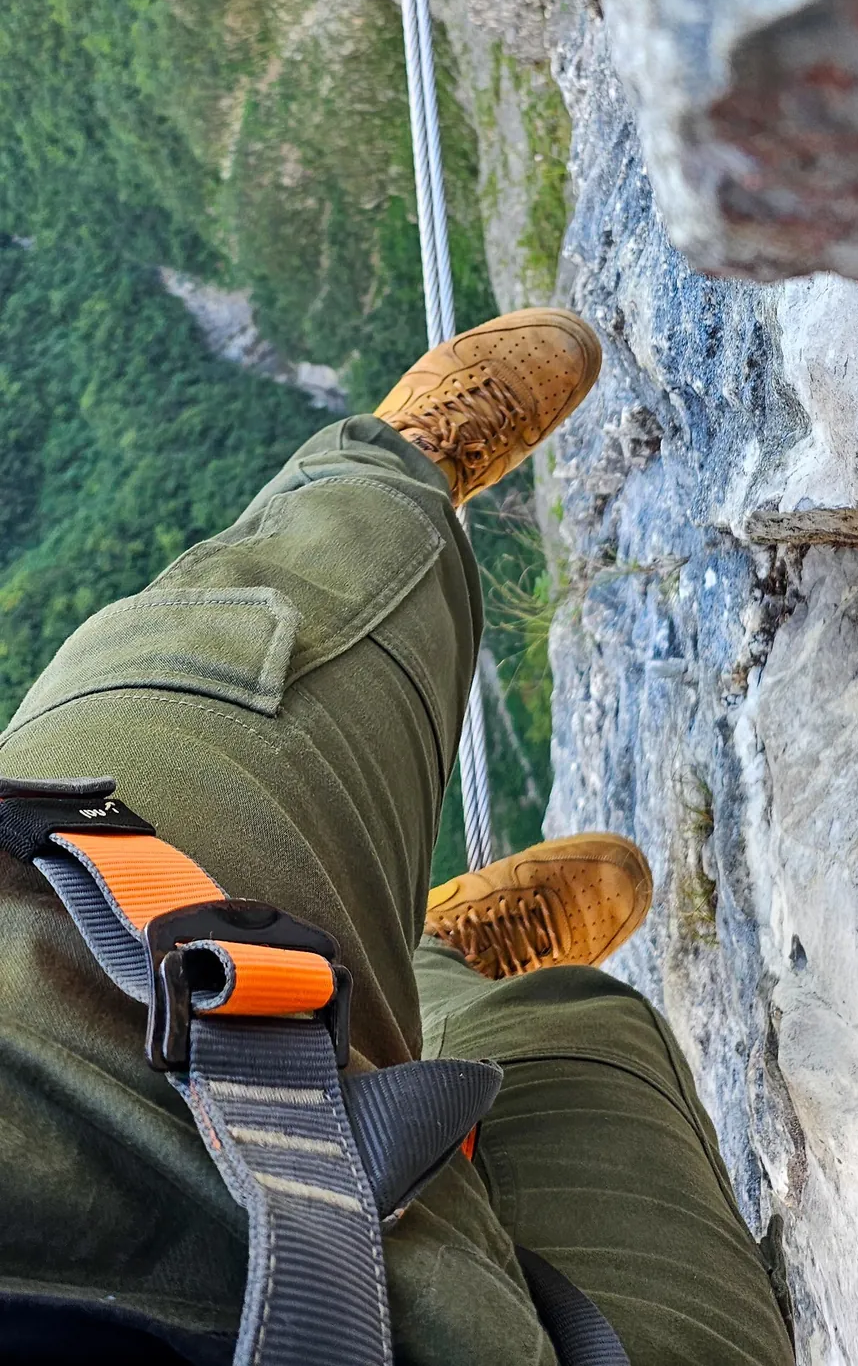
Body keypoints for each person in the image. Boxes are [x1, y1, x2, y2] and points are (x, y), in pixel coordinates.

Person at [0, 308, 795, 1364]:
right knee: (595, 1052)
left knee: (238, 667)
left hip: (41, 1077)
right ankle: (456, 970)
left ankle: (398, 470)